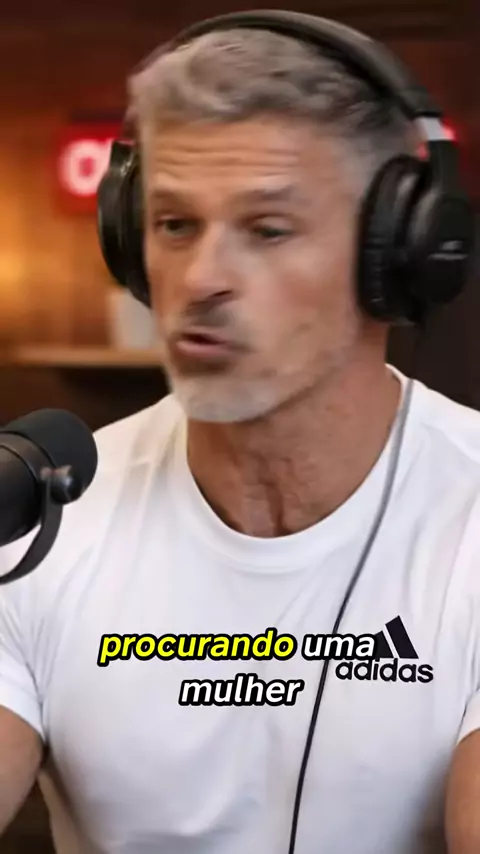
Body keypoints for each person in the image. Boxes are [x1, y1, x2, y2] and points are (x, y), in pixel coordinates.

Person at [0, 12, 479, 854]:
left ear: (393, 256)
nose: (202, 279)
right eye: (175, 225)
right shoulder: (42, 518)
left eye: (267, 229)